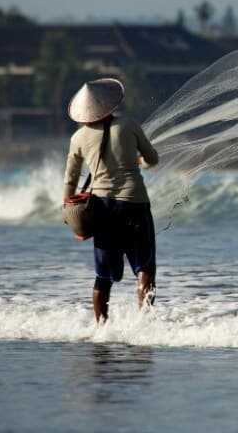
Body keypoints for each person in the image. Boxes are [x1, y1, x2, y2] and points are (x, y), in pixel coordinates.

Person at [63, 78, 159, 323]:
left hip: (102, 208)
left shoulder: (78, 138)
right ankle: (144, 325)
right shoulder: (128, 125)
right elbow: (152, 159)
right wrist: (137, 161)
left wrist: (68, 211)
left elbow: (70, 180)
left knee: (102, 276)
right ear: (110, 105)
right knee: (144, 267)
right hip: (134, 203)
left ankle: (101, 328)